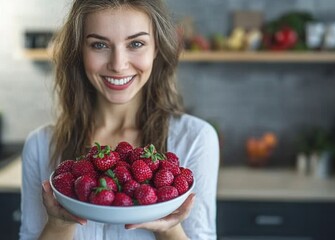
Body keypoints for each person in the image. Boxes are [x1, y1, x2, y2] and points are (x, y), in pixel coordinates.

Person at [19, 0, 219, 239]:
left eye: (136, 43)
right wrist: (59, 224)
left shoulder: (196, 138)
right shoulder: (40, 145)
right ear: (79, 51)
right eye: (99, 44)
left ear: (156, 48)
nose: (118, 64)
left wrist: (169, 227)